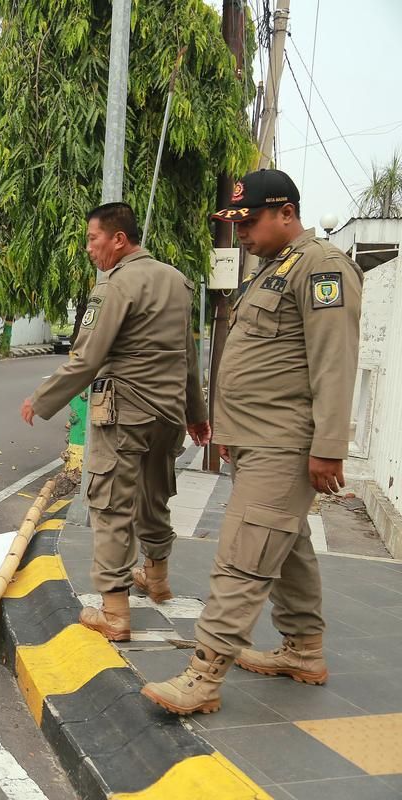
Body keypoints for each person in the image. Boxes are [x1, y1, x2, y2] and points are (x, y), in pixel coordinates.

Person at [142, 169, 362, 715]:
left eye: (251, 220)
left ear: (287, 212)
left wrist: (329, 445)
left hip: (284, 444)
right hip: (257, 440)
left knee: (244, 556)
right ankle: (304, 649)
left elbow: (334, 362)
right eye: (234, 222)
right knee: (285, 548)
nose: (241, 232)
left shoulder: (322, 266)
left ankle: (203, 676)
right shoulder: (271, 273)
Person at [21, 202, 209, 641]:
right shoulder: (177, 281)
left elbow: (88, 358)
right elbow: (188, 358)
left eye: (93, 239)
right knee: (154, 498)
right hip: (168, 416)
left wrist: (41, 398)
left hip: (124, 413)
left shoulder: (115, 284)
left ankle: (115, 613)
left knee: (110, 506)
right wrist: (196, 414)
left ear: (118, 239)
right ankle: (157, 580)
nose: (90, 248)